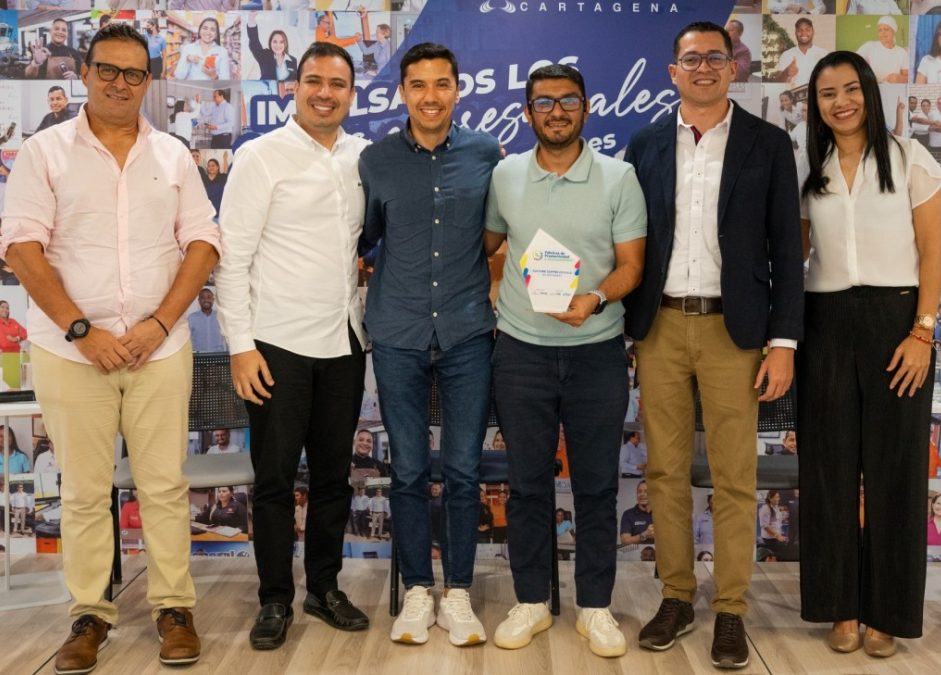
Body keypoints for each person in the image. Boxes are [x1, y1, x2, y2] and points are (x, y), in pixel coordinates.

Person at [1, 22, 219, 671]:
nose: (120, 83)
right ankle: (89, 616)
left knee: (164, 485)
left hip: (160, 349)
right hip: (72, 352)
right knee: (84, 492)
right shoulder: (43, 153)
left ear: (147, 82)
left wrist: (158, 324)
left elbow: (203, 243)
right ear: (84, 73)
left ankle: (174, 610)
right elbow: (22, 249)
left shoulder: (173, 156)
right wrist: (82, 331)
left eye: (133, 74)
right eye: (108, 70)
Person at [624, 21, 802, 668]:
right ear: (673, 71)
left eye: (715, 58)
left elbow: (788, 247)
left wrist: (784, 341)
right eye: (691, 59)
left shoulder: (768, 144)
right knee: (665, 472)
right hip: (661, 327)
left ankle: (730, 607)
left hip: (737, 332)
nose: (703, 67)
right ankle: (676, 596)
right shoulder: (644, 143)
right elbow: (628, 239)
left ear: (734, 68)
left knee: (734, 476)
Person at [484, 62, 646, 659]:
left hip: (597, 352)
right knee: (526, 486)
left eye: (569, 100)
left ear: (586, 108)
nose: (557, 111)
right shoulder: (504, 175)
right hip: (520, 352)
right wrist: (497, 282)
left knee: (597, 487)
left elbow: (631, 265)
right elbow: (489, 243)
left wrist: (595, 298)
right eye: (545, 102)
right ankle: (531, 600)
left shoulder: (619, 177)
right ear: (528, 112)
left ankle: (595, 607)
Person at [215, 40, 371, 651]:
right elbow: (232, 260)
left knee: (334, 478)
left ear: (351, 94)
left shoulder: (363, 157)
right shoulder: (260, 157)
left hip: (344, 341)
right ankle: (275, 598)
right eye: (314, 81)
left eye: (337, 84)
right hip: (275, 345)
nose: (325, 93)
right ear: (294, 87)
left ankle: (324, 588)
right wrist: (240, 346)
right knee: (276, 481)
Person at [797, 51, 941, 659]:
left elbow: (933, 253)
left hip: (897, 324)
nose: (841, 102)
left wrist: (922, 333)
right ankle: (843, 607)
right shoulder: (811, 168)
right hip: (824, 323)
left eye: (851, 89)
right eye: (827, 93)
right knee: (828, 470)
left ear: (869, 93)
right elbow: (796, 252)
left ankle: (886, 614)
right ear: (816, 105)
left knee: (895, 471)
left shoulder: (911, 158)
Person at [358, 42, 501, 649]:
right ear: (402, 92)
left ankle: (459, 591)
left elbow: (498, 236)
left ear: (458, 91)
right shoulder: (376, 161)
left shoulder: (486, 153)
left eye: (442, 84)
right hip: (398, 332)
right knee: (410, 471)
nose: (431, 96)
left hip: (468, 332)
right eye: (418, 85)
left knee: (464, 470)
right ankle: (418, 588)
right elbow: (365, 239)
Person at [770, 18, 829, 88]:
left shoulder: (824, 54)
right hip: (793, 94)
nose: (803, 33)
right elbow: (777, 82)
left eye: (807, 30)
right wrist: (787, 72)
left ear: (813, 32)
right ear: (795, 33)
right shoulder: (786, 55)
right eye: (800, 30)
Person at [246, 12, 298, 86]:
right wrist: (251, 19)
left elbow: (294, 82)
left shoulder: (293, 60)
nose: (278, 45)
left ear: (285, 43)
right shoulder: (264, 56)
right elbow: (254, 41)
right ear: (270, 43)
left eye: (281, 42)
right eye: (275, 42)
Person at [856, 17, 908, 84]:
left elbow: (907, 77)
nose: (882, 32)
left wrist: (899, 78)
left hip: (892, 87)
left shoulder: (901, 52)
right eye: (880, 30)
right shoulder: (870, 46)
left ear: (893, 31)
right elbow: (853, 61)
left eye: (886, 29)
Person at [188, 288, 227, 352]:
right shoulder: (191, 318)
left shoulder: (220, 317)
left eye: (209, 297)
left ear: (213, 299)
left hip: (219, 355)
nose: (206, 300)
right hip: (198, 356)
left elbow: (228, 338)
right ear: (199, 300)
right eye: (203, 298)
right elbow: (186, 341)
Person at [619, 481, 655, 546]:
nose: (642, 494)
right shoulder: (628, 514)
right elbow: (624, 541)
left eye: (646, 491)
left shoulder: (660, 514)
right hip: (636, 552)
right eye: (639, 491)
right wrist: (645, 535)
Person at [756, 491, 786, 557]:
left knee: (777, 555)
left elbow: (776, 521)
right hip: (769, 539)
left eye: (778, 497)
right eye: (776, 497)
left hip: (775, 537)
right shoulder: (765, 508)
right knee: (773, 556)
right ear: (770, 498)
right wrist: (777, 536)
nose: (778, 499)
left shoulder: (776, 507)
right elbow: (764, 526)